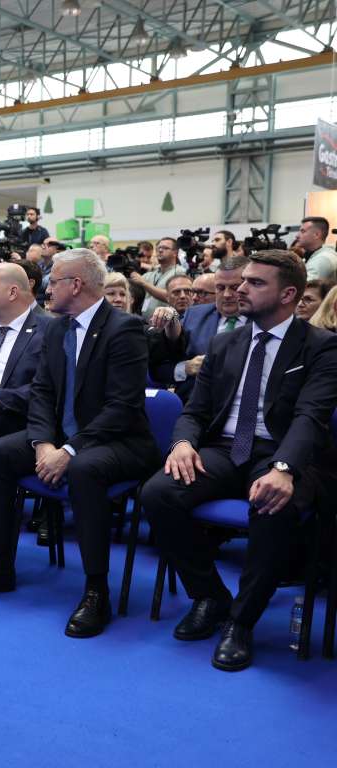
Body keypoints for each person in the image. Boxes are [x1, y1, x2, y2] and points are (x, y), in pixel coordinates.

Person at [142, 250, 337, 671]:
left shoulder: (321, 346)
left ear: (288, 294)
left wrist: (284, 469)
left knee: (272, 504)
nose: (239, 290)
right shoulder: (224, 342)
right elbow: (195, 411)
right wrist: (182, 444)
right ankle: (210, 597)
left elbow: (310, 417)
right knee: (158, 493)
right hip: (226, 449)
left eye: (255, 283)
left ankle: (241, 621)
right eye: (242, 280)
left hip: (282, 453)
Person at [0, 248, 159, 638]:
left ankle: (96, 590)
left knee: (84, 469)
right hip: (62, 438)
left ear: (76, 284)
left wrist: (68, 450)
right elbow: (42, 393)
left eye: (53, 281)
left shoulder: (124, 329)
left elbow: (121, 407)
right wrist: (41, 444)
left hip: (119, 440)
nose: (47, 288)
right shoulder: (54, 329)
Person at [150, 256, 248, 400]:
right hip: (195, 403)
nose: (227, 295)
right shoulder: (193, 316)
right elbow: (160, 369)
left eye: (234, 288)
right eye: (220, 288)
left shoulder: (265, 319)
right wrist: (185, 368)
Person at [132, 237, 187, 319]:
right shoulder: (152, 273)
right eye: (159, 248)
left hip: (167, 322)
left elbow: (172, 297)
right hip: (146, 322)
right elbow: (133, 284)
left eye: (165, 248)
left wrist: (144, 283)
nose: (160, 250)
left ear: (175, 253)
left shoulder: (180, 272)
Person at [293, 217, 337, 281]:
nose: (297, 236)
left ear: (316, 235)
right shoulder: (311, 255)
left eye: (303, 231)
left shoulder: (323, 259)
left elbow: (303, 285)